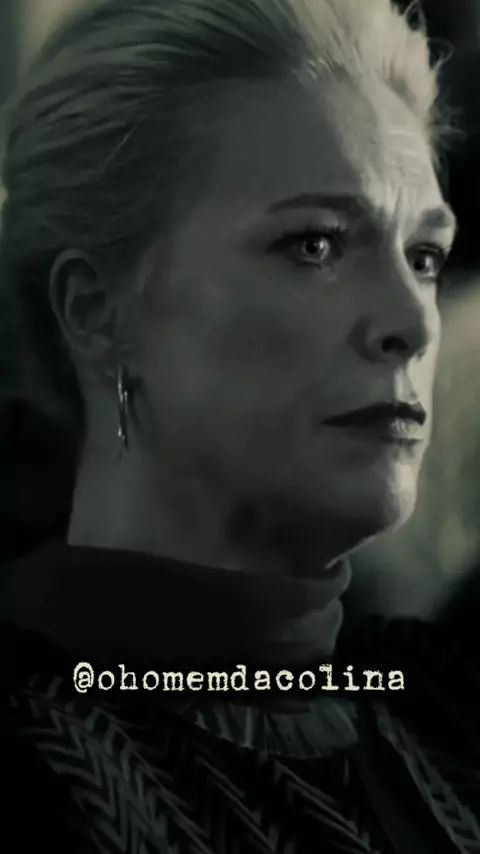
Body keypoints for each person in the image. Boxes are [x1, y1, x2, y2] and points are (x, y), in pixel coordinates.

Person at [0, 0, 478, 851]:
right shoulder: (35, 760)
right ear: (96, 310)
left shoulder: (439, 717)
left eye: (424, 256)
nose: (411, 320)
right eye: (315, 245)